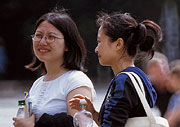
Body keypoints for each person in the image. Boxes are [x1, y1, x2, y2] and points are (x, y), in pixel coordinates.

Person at [69, 11, 162, 126]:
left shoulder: (123, 81)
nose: (96, 49)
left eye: (99, 42)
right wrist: (93, 112)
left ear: (118, 44)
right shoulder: (140, 77)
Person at [12, 8, 96, 127]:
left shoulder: (76, 81)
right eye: (38, 36)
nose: (42, 42)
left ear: (68, 44)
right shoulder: (38, 83)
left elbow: (77, 124)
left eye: (51, 37)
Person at [145, 51, 172, 116]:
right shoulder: (150, 89)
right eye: (158, 71)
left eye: (164, 68)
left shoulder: (175, 88)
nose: (162, 72)